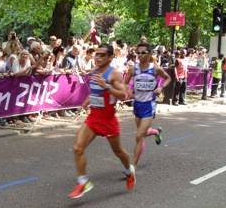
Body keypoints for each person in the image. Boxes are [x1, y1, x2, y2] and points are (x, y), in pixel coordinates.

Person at [68, 43, 135, 199]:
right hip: (93, 117)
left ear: (111, 57)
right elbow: (95, 91)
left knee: (119, 152)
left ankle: (129, 171)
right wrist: (88, 99)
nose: (98, 57)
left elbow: (122, 96)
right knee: (78, 147)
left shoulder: (114, 75)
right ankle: (83, 182)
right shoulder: (95, 71)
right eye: (97, 54)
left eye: (102, 55)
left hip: (108, 120)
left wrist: (106, 87)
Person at [124, 42, 171, 170]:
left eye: (143, 52)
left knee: (139, 136)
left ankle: (132, 166)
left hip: (149, 105)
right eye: (138, 52)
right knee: (142, 134)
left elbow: (168, 78)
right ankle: (156, 132)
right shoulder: (133, 69)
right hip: (137, 104)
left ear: (149, 54)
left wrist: (161, 87)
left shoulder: (155, 68)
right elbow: (125, 83)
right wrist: (128, 91)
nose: (140, 55)